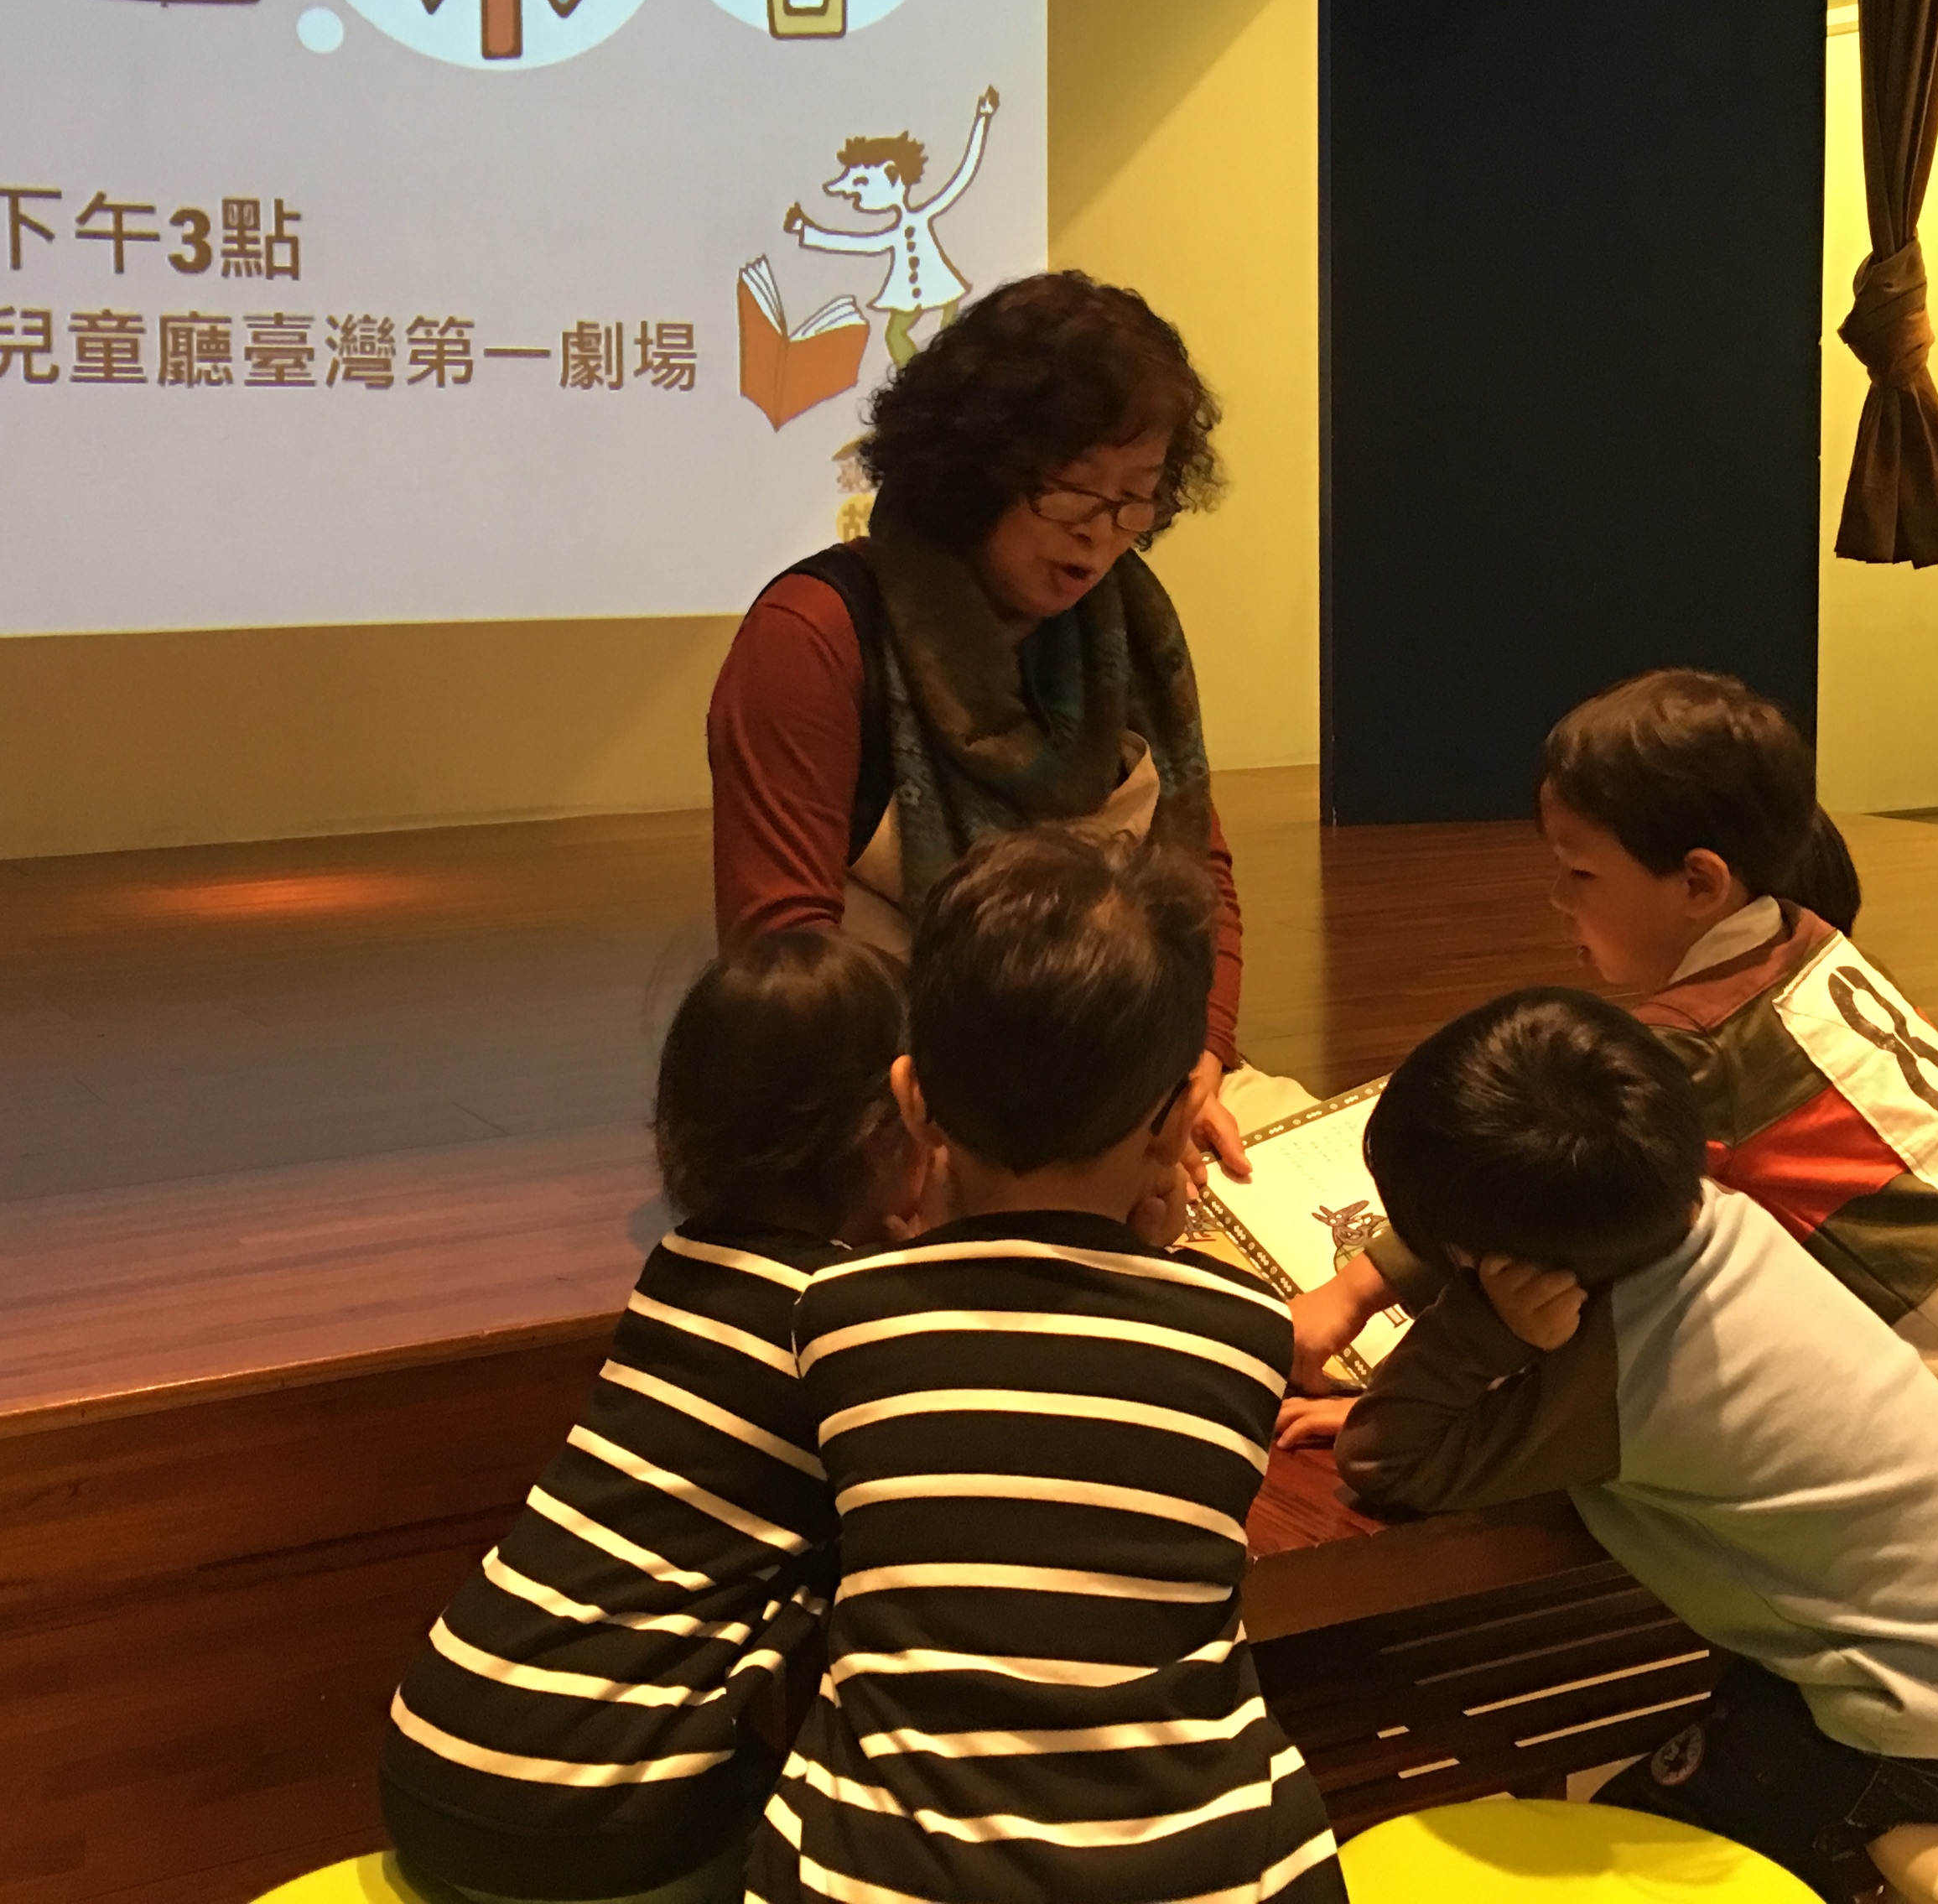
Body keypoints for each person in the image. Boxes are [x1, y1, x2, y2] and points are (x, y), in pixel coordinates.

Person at [1295, 668, 1938, 1734]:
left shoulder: (1692, 1049)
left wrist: (1354, 1301)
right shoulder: (1804, 936)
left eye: (1579, 874)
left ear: (1699, 882)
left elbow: (1517, 1176)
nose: (1558, 901)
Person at [1337, 989, 1938, 1904]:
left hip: (1922, 1721)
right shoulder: (1707, 1214)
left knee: (1625, 1838)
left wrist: (1484, 1330)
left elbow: (1387, 1463)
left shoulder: (1630, 1372)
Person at [751, 828, 1345, 1904]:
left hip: (888, 1878)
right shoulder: (1243, 1330)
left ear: (913, 1099)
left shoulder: (834, 1316)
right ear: (1177, 1121)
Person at [708, 268, 1282, 1190]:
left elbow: (1194, 882)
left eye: (1136, 497)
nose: (1102, 534)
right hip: (892, 1094)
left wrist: (1198, 1065)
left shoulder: (1129, 635)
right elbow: (786, 960)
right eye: (1072, 491)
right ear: (976, 469)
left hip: (1123, 1076)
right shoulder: (814, 636)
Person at [379, 931, 916, 1904]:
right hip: (583, 1813)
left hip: (433, 1757)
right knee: (847, 1839)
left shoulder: (678, 1272)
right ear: (889, 1138)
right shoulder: (837, 1320)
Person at [781, 87, 997, 369]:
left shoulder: (922, 216)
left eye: (861, 185)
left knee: (951, 335)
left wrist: (982, 119)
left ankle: (939, 374)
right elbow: (857, 243)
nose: (854, 196)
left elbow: (962, 175)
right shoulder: (895, 234)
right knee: (896, 334)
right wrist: (807, 231)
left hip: (942, 289)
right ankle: (921, 377)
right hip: (909, 294)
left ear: (892, 175)